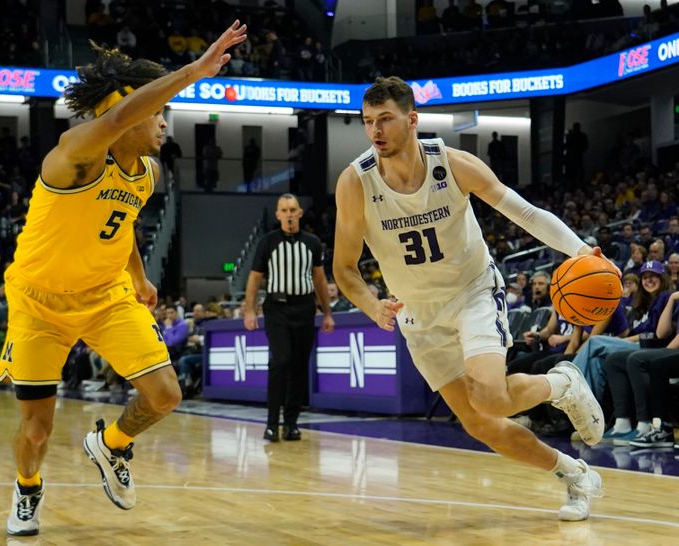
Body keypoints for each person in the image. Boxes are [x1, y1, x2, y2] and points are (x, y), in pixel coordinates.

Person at [0, 21, 248, 537]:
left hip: (106, 296)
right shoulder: (77, 156)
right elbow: (122, 116)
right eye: (155, 113)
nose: (162, 124)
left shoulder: (149, 174)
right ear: (122, 116)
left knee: (165, 394)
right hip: (39, 303)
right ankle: (26, 487)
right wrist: (195, 71)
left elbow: (121, 221)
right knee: (37, 431)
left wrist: (138, 273)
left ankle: (110, 445)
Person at [333, 77, 608, 522]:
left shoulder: (453, 164)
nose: (375, 131)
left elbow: (523, 211)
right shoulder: (355, 182)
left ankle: (563, 384)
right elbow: (344, 267)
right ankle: (574, 473)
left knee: (491, 398)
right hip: (419, 316)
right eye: (368, 122)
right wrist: (371, 305)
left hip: (472, 292)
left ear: (412, 119)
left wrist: (579, 249)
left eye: (385, 119)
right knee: (480, 424)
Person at [243, 194, 335, 442]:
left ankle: (292, 424)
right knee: (281, 361)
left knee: (298, 366)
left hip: (305, 307)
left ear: (301, 213)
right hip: (277, 308)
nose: (289, 214)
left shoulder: (313, 243)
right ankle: (272, 424)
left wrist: (327, 312)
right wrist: (249, 309)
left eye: (293, 209)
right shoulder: (267, 242)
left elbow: (319, 279)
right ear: (278, 215)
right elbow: (254, 278)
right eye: (284, 210)